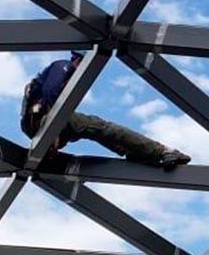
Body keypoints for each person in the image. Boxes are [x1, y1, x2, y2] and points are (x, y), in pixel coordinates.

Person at [21, 52, 190, 168]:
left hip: (39, 124)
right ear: (78, 59)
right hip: (42, 121)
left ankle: (131, 150)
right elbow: (51, 93)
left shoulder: (66, 74)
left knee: (94, 130)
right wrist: (53, 129)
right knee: (100, 126)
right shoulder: (62, 66)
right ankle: (161, 152)